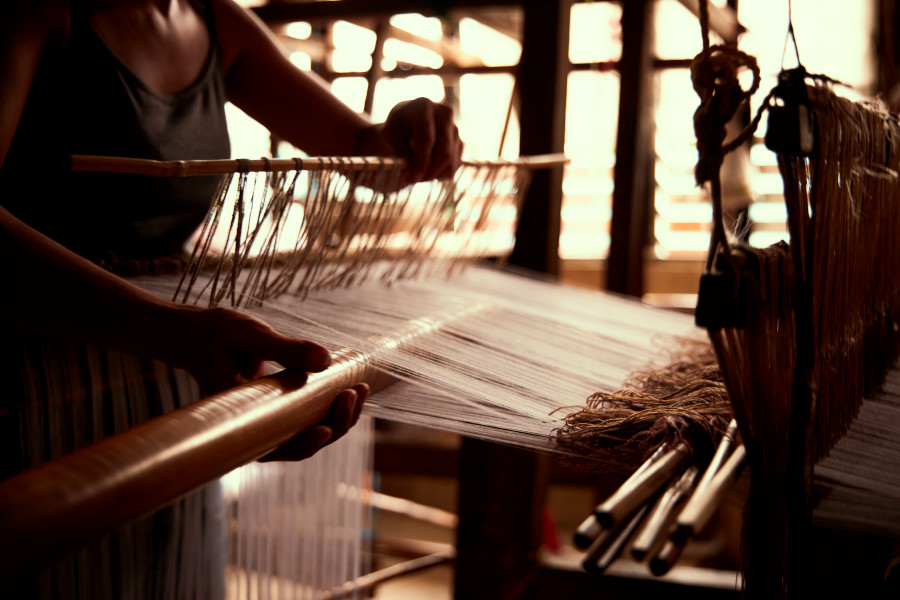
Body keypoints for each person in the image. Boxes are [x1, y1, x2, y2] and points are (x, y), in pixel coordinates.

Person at [0, 0, 463, 596]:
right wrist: (171, 331)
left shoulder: (220, 25)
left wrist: (412, 129)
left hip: (160, 387)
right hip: (28, 395)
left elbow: (372, 157)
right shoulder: (36, 14)